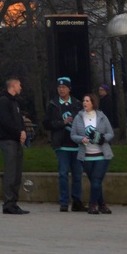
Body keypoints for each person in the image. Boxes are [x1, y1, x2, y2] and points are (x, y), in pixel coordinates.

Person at [42, 76, 84, 212]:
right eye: (59, 87)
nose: (61, 90)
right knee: (63, 173)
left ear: (69, 89)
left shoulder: (77, 104)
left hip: (76, 144)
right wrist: (62, 123)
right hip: (61, 144)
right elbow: (46, 123)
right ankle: (64, 202)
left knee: (77, 174)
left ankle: (77, 201)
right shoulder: (53, 104)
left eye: (64, 87)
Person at [71, 93, 114, 214]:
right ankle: (102, 204)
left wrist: (102, 138)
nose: (85, 103)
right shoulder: (79, 117)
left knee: (96, 180)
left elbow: (110, 133)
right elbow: (73, 135)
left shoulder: (101, 116)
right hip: (86, 155)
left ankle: (92, 205)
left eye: (88, 101)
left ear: (93, 103)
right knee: (95, 182)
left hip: (101, 154)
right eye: (84, 101)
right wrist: (81, 139)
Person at [0, 75, 29, 216]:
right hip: (7, 139)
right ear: (13, 86)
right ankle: (8, 203)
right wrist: (17, 133)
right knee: (10, 172)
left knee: (17, 172)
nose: (21, 87)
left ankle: (14, 202)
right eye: (19, 85)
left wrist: (23, 131)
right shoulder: (3, 101)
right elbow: (6, 121)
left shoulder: (15, 102)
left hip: (16, 139)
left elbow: (19, 120)